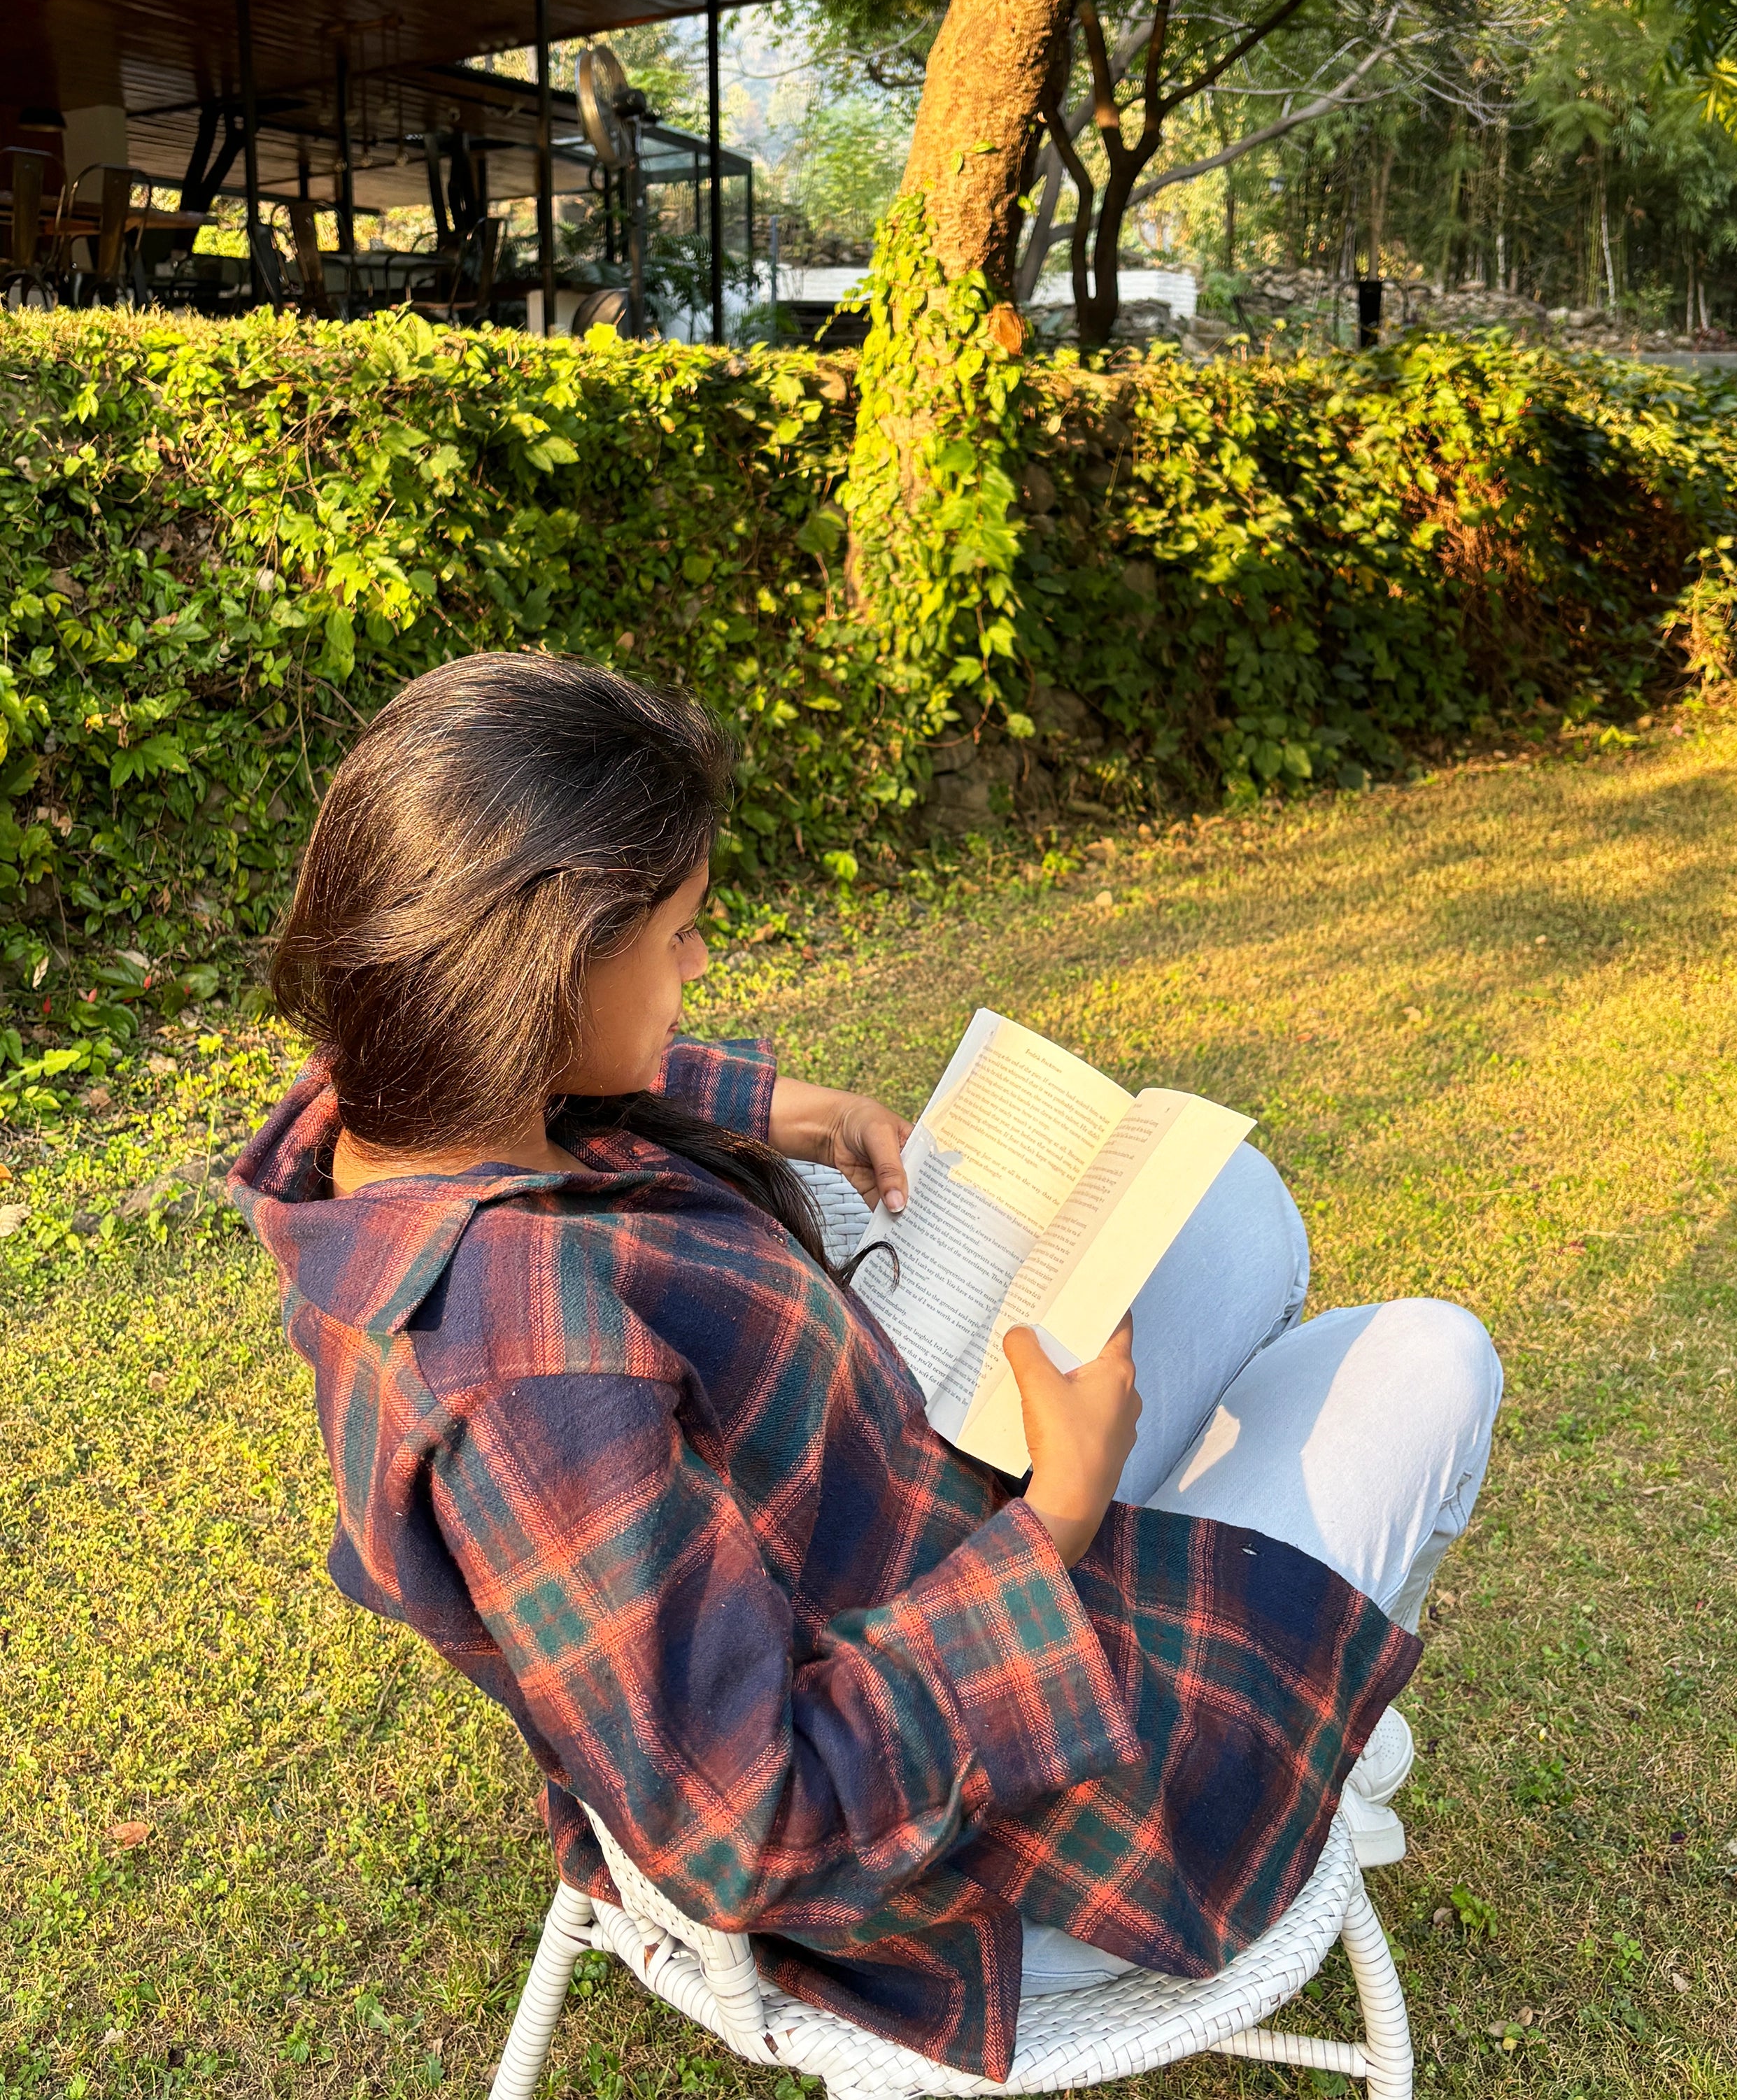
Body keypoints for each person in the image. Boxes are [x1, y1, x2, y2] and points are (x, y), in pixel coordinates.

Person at [233, 653, 1501, 2080]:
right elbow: (747, 1823)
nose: (698, 967)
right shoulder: (527, 1367)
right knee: (1428, 1362)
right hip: (953, 1860)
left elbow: (577, 1082)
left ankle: (1251, 1633)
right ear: (544, 977)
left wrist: (767, 1104)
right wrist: (1061, 1516)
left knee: (1238, 1209)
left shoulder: (383, 1108)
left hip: (881, 1515)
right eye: (676, 938)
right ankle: (1288, 1761)